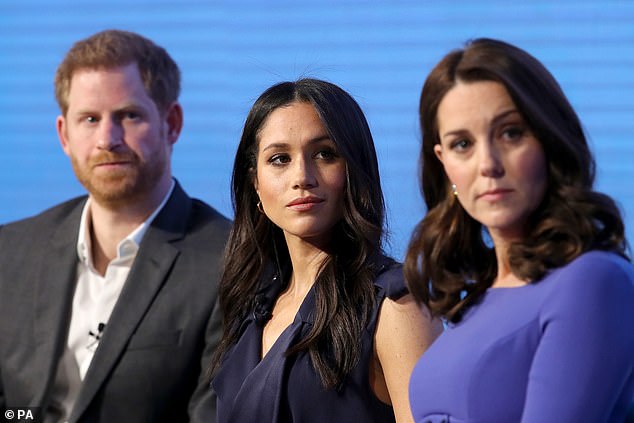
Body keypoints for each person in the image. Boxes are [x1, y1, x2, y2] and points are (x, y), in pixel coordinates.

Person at [0, 30, 231, 423]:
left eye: (128, 116)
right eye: (89, 119)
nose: (108, 139)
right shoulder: (10, 250)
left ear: (171, 123)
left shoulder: (232, 261)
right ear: (64, 135)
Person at [405, 37, 634, 422]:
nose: (488, 164)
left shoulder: (593, 281)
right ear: (443, 163)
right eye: (463, 144)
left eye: (510, 133)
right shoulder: (474, 299)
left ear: (548, 138)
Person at [209, 78, 442, 423]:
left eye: (324, 154)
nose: (302, 176)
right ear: (255, 184)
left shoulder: (397, 303)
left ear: (355, 169)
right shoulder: (251, 304)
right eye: (279, 159)